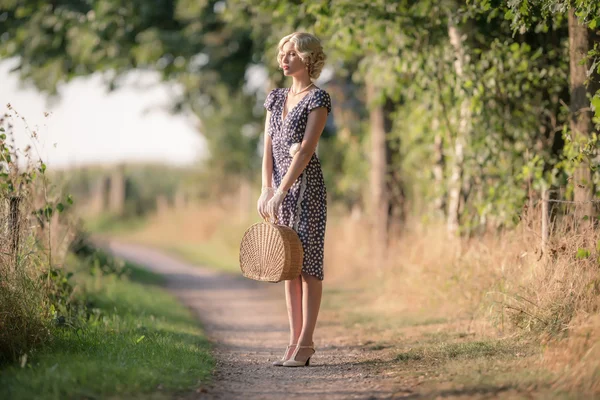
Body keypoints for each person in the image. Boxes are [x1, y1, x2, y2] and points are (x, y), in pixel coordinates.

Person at [257, 32, 332, 367]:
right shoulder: (275, 98)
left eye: (291, 54)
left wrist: (283, 189)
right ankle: (292, 342)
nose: (284, 60)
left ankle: (306, 343)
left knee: (308, 268)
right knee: (288, 268)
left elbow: (305, 151)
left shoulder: (318, 100)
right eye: (282, 54)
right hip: (280, 196)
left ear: (307, 58)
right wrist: (266, 189)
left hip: (308, 192)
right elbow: (269, 148)